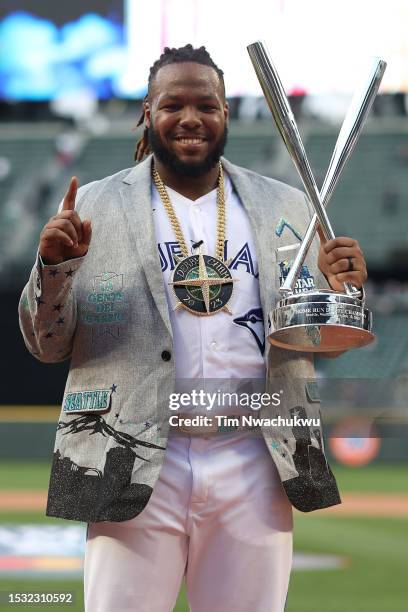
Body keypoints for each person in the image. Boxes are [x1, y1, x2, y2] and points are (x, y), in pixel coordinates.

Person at [19, 45, 367, 612]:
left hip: (254, 458)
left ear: (225, 113)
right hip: (130, 451)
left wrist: (342, 295)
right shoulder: (94, 207)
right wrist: (53, 271)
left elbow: (323, 345)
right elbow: (45, 344)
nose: (189, 118)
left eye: (205, 104)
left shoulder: (289, 205)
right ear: (146, 113)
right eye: (171, 104)